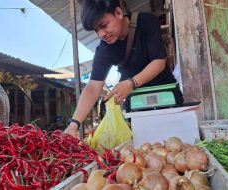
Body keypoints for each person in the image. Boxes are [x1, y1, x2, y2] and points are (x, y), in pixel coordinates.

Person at [64, 0, 183, 138]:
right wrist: (74, 123)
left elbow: (159, 62)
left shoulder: (146, 21)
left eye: (103, 25)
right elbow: (93, 87)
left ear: (118, 13)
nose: (101, 34)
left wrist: (130, 83)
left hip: (167, 96)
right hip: (137, 107)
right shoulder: (104, 50)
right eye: (96, 30)